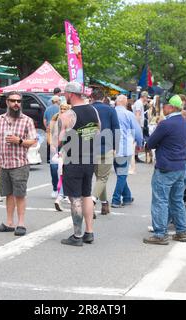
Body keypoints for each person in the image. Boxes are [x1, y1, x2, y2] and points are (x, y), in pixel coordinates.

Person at [59, 81, 101, 246]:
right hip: (89, 157)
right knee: (86, 194)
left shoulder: (68, 115)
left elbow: (59, 140)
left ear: (70, 94)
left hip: (73, 159)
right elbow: (98, 132)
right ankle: (89, 232)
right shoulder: (93, 110)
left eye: (65, 94)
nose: (64, 96)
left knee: (75, 197)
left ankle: (77, 236)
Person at [144, 95, 186, 245]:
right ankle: (182, 231)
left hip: (166, 166)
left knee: (160, 200)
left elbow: (151, 143)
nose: (163, 108)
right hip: (180, 165)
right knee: (177, 200)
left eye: (165, 106)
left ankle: (160, 234)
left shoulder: (166, 124)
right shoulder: (183, 122)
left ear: (171, 107)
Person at [0, 91, 37, 236]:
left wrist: (20, 141)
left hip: (20, 164)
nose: (16, 104)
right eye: (13, 101)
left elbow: (34, 141)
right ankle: (9, 223)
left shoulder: (27, 120)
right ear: (7, 102)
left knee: (20, 194)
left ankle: (21, 223)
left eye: (18, 101)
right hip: (4, 164)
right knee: (8, 194)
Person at [91, 88, 120, 216]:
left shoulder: (89, 109)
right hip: (106, 147)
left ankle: (104, 205)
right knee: (102, 178)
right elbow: (116, 129)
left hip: (89, 148)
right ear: (103, 98)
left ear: (92, 97)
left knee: (99, 178)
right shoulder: (110, 110)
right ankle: (91, 202)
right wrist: (116, 147)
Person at [111, 95, 143, 208]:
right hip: (124, 147)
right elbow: (137, 131)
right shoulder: (128, 114)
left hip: (111, 148)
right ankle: (115, 199)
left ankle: (127, 197)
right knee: (122, 175)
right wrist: (140, 143)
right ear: (125, 103)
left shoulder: (111, 112)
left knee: (120, 173)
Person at [49, 102, 72, 211]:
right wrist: (52, 144)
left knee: (63, 171)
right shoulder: (56, 118)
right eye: (61, 108)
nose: (62, 110)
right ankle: (60, 193)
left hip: (66, 148)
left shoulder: (69, 119)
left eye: (64, 109)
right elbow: (50, 131)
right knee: (59, 170)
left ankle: (62, 194)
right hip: (62, 148)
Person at [44, 95, 61, 198]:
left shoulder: (48, 109)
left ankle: (59, 189)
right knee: (55, 166)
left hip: (62, 144)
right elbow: (48, 126)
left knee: (61, 168)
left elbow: (45, 121)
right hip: (55, 143)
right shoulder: (55, 116)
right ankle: (56, 188)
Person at [132, 91, 148, 163]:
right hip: (138, 125)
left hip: (138, 124)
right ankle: (135, 156)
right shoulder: (139, 103)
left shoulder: (139, 103)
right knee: (137, 140)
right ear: (144, 97)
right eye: (146, 97)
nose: (147, 98)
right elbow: (137, 114)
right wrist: (137, 125)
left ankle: (135, 156)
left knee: (137, 141)